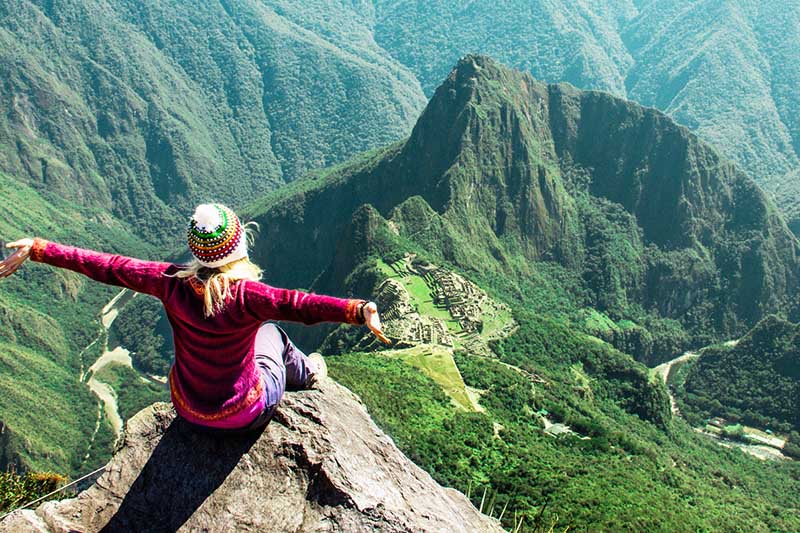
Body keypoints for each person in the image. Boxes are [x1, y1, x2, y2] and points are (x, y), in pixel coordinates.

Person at [0, 203, 389, 431]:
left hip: (188, 409)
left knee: (262, 334)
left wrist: (39, 248)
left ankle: (301, 371)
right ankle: (309, 372)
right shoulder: (247, 296)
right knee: (272, 333)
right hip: (242, 413)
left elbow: (108, 266)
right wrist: (357, 310)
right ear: (239, 247)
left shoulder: (168, 282)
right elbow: (299, 305)